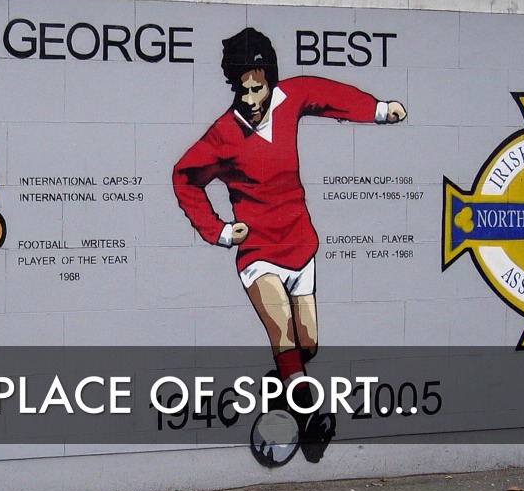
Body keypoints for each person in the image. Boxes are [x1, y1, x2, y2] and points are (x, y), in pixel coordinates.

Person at [172, 27, 406, 466]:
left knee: (307, 344)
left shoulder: (288, 98)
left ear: (271, 81)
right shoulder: (223, 135)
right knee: (282, 337)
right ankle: (311, 420)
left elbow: (329, 95)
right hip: (258, 253)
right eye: (242, 89)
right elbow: (184, 177)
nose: (251, 98)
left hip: (299, 243)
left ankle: (282, 386)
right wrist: (218, 231)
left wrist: (378, 110)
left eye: (258, 88)